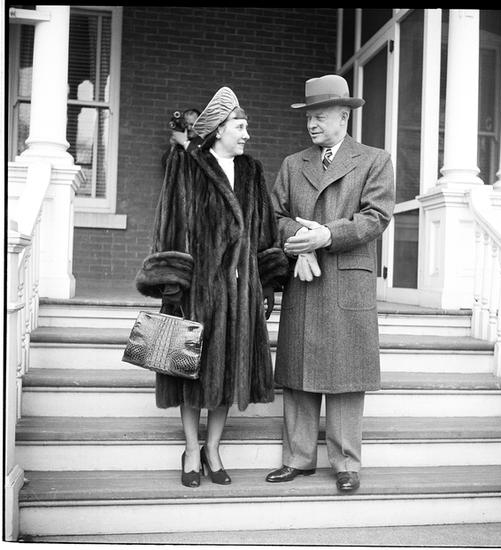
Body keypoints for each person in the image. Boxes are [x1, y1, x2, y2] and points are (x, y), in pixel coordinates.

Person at [136, 87, 288, 487]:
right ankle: (191, 450)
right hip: (197, 290)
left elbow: (264, 230)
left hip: (240, 291)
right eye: (240, 126)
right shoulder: (187, 164)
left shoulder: (252, 171)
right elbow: (171, 223)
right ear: (219, 128)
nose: (247, 134)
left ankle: (213, 449)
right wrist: (172, 283)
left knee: (228, 373)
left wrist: (267, 281)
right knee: (188, 373)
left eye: (247, 127)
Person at [266, 74, 395, 493]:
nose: (312, 124)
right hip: (304, 276)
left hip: (345, 279)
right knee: (299, 370)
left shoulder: (374, 160)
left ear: (344, 116)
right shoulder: (293, 163)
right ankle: (298, 459)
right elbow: (273, 216)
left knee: (346, 373)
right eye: (309, 117)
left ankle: (346, 464)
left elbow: (376, 217)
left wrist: (326, 236)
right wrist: (300, 244)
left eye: (320, 116)